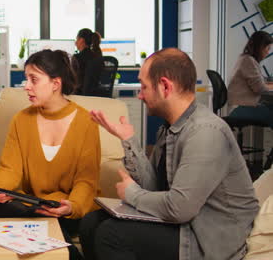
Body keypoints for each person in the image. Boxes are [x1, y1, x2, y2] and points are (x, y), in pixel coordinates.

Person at [79, 48, 259, 260]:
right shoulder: (170, 128)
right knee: (91, 223)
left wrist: (131, 194)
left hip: (209, 237)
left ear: (165, 86)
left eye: (144, 87)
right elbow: (153, 188)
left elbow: (179, 208)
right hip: (186, 223)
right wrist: (128, 139)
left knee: (111, 235)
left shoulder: (205, 132)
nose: (140, 95)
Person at [0, 49, 101, 260]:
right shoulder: (21, 119)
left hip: (67, 207)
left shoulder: (86, 122)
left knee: (50, 223)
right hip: (32, 205)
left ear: (56, 83)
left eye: (34, 79)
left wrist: (70, 207)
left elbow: (86, 180)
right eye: (26, 79)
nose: (26, 86)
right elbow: (11, 169)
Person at [227, 30, 273, 126]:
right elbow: (260, 89)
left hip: (241, 105)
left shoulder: (245, 59)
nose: (268, 52)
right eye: (267, 48)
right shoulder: (248, 61)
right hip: (241, 107)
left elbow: (259, 83)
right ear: (260, 47)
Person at [72, 28, 103, 95]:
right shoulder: (97, 56)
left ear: (81, 40)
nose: (75, 42)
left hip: (80, 95)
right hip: (95, 96)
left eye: (77, 39)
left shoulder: (77, 58)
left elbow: (73, 79)